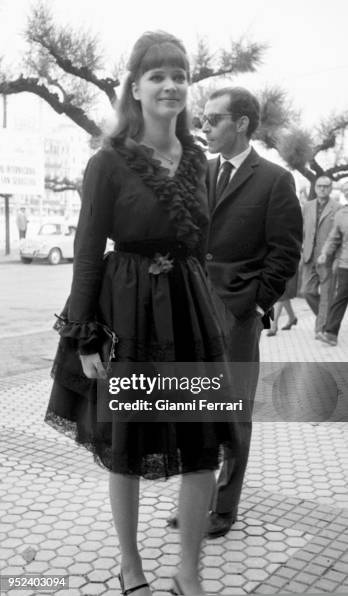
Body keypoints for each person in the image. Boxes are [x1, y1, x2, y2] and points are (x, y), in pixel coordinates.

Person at [45, 31, 237, 596]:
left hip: (188, 310)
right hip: (127, 312)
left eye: (180, 75)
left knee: (203, 444)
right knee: (126, 445)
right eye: (157, 75)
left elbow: (201, 245)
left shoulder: (199, 160)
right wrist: (83, 336)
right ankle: (131, 565)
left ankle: (188, 572)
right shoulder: (107, 163)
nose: (171, 85)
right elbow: (85, 252)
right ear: (135, 86)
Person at [167, 87, 303, 538]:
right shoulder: (199, 172)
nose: (203, 127)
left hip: (237, 311)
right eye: (202, 119)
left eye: (213, 119)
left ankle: (224, 505)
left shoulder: (275, 180)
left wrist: (256, 304)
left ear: (242, 122)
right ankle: (194, 500)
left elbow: (286, 253)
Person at [301, 175, 341, 338]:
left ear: (331, 189)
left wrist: (337, 258)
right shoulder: (307, 206)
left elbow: (340, 235)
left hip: (328, 258)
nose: (322, 189)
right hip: (309, 256)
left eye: (326, 186)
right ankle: (326, 319)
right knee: (307, 292)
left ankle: (320, 329)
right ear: (315, 187)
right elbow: (302, 230)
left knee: (326, 296)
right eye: (319, 186)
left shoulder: (337, 208)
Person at [317, 182, 348, 346]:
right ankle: (330, 334)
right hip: (345, 264)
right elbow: (333, 238)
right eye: (346, 190)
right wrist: (324, 253)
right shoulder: (341, 214)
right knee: (340, 298)